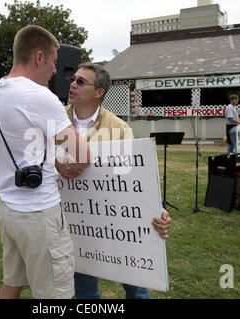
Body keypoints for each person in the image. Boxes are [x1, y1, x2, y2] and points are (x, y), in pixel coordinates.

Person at [0, 25, 91, 299]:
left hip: (7, 210)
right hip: (39, 215)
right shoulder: (39, 97)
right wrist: (64, 161)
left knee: (12, 283)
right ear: (39, 57)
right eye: (53, 62)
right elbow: (83, 155)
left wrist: (50, 159)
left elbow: (19, 148)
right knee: (55, 295)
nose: (55, 71)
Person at [56, 62, 172, 299]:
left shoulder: (119, 128)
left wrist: (155, 209)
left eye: (81, 81)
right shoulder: (56, 119)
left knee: (136, 287)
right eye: (73, 79)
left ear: (99, 92)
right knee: (85, 290)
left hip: (114, 219)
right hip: (74, 221)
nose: (73, 84)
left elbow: (133, 179)